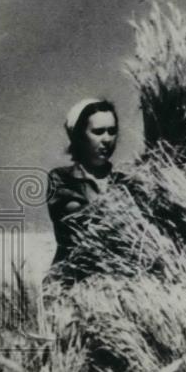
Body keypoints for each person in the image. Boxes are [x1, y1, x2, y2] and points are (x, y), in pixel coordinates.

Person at [44, 97, 123, 285]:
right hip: (70, 283)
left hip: (117, 283)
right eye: (98, 132)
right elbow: (78, 219)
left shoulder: (126, 181)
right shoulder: (61, 179)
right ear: (79, 136)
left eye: (112, 132)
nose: (107, 139)